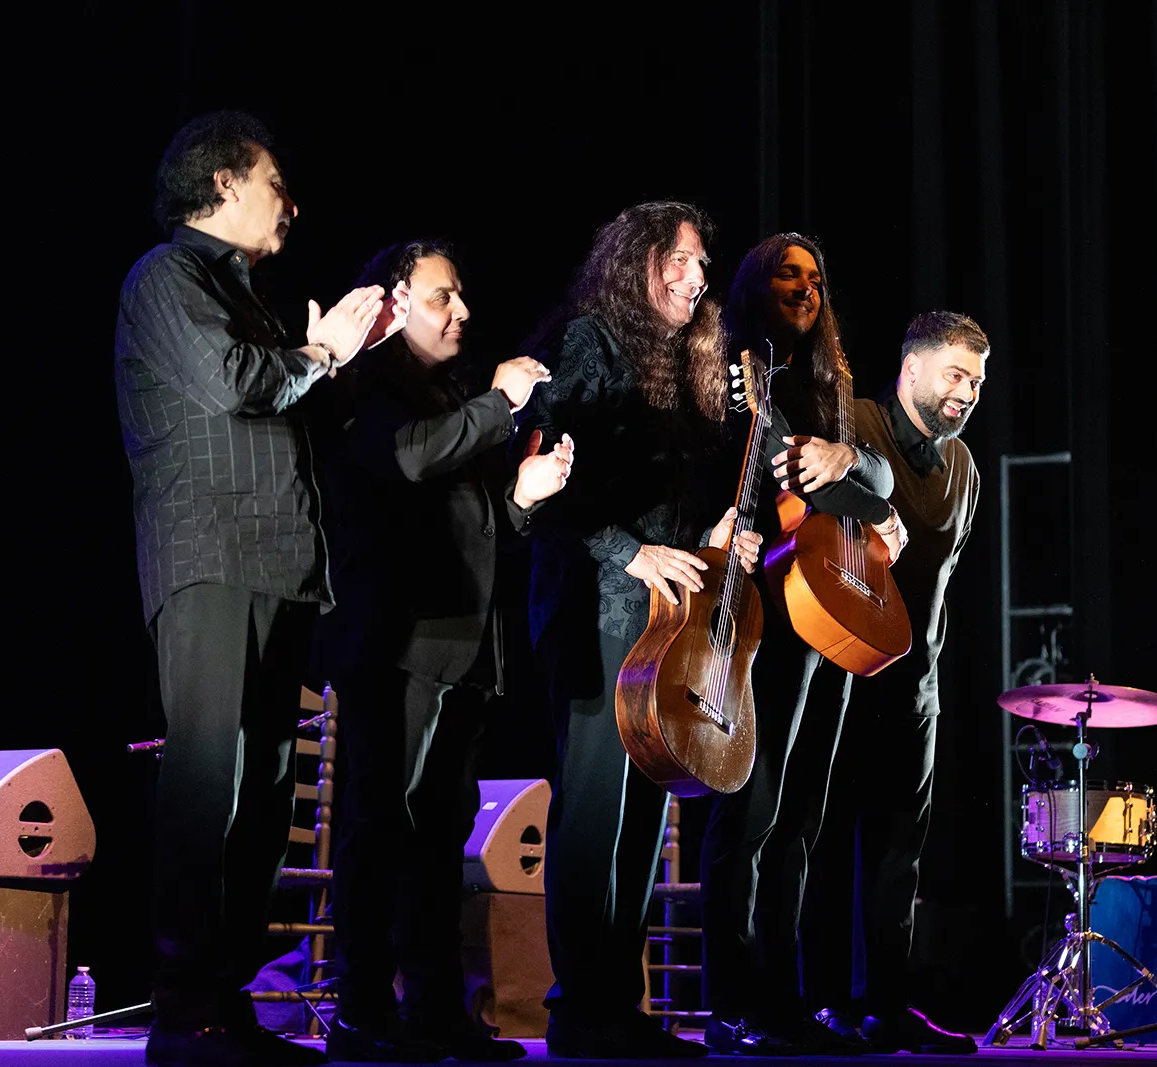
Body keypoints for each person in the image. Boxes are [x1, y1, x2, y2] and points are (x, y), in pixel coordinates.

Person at [114, 110, 406, 1067]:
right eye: (275, 183)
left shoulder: (253, 296)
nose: (290, 203)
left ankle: (221, 1000)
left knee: (268, 789)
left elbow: (295, 409)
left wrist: (349, 352)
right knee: (209, 781)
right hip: (209, 557)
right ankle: (182, 1007)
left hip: (278, 562)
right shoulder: (166, 277)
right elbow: (235, 381)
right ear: (226, 184)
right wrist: (320, 356)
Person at [312, 239, 575, 1062]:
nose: (460, 311)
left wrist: (522, 500)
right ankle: (361, 1008)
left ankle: (434, 1010)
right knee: (379, 825)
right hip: (398, 643)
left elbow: (471, 517)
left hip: (467, 646)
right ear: (390, 305)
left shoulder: (449, 391)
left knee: (438, 836)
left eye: (459, 296)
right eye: (441, 297)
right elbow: (408, 459)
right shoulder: (366, 384)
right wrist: (501, 403)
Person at [522, 201, 761, 1059]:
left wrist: (710, 539)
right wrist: (634, 552)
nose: (699, 280)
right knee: (595, 815)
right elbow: (548, 485)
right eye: (685, 261)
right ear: (641, 260)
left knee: (641, 817)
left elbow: (667, 506)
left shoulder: (676, 367)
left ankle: (613, 1006)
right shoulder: (589, 339)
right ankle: (581, 1009)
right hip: (594, 603)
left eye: (703, 266)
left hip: (656, 614)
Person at [699, 233, 902, 1056]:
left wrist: (853, 463)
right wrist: (842, 478)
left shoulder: (832, 384)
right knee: (750, 813)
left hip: (825, 614)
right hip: (756, 610)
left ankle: (782, 996)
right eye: (788, 275)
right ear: (756, 284)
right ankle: (732, 1002)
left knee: (803, 817)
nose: (804, 288)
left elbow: (872, 482)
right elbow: (776, 477)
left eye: (815, 277)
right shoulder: (735, 372)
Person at [798, 310, 987, 1054]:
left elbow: (941, 579)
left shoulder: (965, 466)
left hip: (916, 685)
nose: (966, 391)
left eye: (975, 380)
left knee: (898, 852)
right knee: (824, 840)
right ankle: (820, 1003)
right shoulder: (859, 423)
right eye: (954, 374)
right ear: (912, 370)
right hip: (841, 669)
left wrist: (928, 671)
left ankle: (887, 1002)